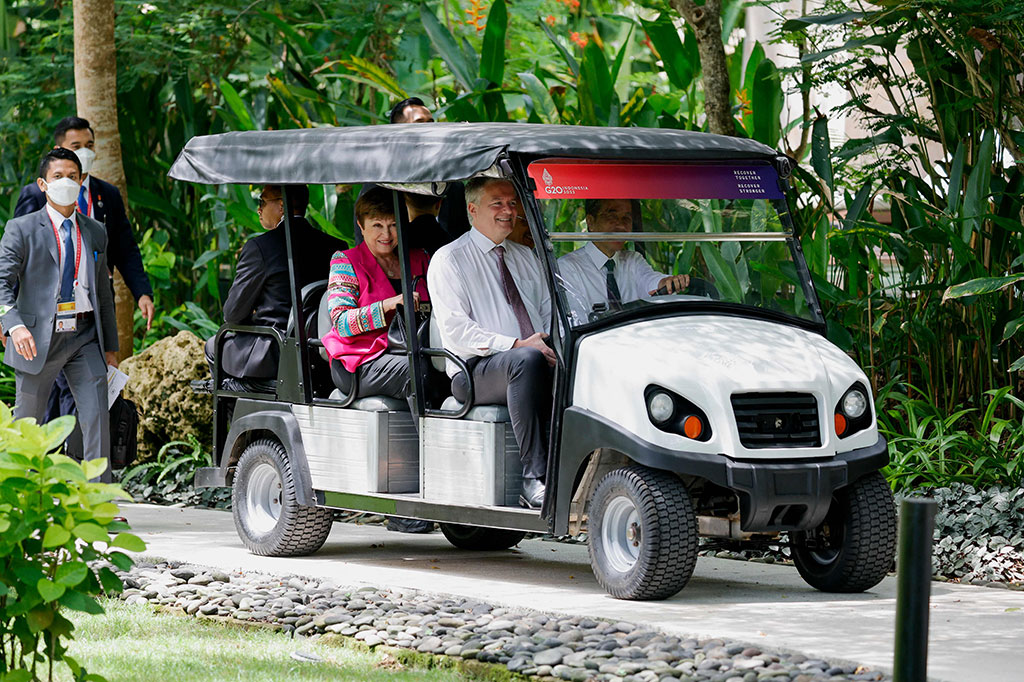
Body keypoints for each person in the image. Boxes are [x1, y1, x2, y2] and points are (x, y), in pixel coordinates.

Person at [12, 116, 154, 449]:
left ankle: (75, 466)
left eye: (90, 145)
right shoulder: (34, 195)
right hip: (44, 320)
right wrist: (12, 320)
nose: (86, 152)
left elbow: (125, 248)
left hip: (88, 314)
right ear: (60, 150)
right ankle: (47, 463)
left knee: (86, 394)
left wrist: (142, 291)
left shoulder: (106, 195)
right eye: (77, 147)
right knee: (49, 395)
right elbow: (18, 258)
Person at [428, 177, 554, 509]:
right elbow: (457, 331)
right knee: (526, 362)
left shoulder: (525, 257)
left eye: (512, 204)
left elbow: (546, 312)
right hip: (472, 371)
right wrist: (517, 344)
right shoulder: (450, 259)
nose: (508, 211)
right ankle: (534, 477)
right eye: (497, 203)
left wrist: (548, 344)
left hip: (530, 356)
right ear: (472, 209)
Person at [0, 148, 118, 482]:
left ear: (82, 181)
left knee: (97, 418)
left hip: (84, 336)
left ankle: (101, 503)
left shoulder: (95, 231)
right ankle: (19, 497)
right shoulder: (21, 228)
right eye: (57, 176)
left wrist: (111, 346)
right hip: (35, 339)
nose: (65, 182)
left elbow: (103, 293)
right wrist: (13, 324)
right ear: (42, 184)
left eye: (72, 176)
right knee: (28, 424)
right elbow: (1, 282)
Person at [205, 185, 346, 388]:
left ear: (281, 206)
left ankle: (235, 414)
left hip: (276, 351)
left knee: (213, 345)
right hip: (320, 349)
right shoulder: (335, 246)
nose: (258, 209)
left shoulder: (260, 248)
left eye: (262, 202)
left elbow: (233, 314)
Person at [321, 186, 430, 410]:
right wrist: (390, 304)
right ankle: (428, 443)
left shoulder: (420, 258)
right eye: (377, 226)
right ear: (361, 226)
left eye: (393, 225)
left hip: (416, 348)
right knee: (418, 370)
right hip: (358, 361)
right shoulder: (345, 261)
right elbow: (342, 323)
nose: (387, 235)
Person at [557, 198, 690, 324]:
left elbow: (650, 280)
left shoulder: (633, 260)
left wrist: (665, 282)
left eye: (627, 218)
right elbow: (577, 324)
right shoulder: (568, 268)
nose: (621, 225)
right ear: (591, 222)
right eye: (612, 216)